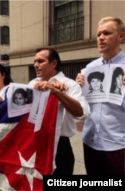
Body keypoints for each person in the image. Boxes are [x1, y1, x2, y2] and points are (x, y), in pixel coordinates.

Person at [76, 17, 125, 174]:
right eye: (98, 34)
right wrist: (79, 88)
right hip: (90, 140)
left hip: (118, 143)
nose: (101, 38)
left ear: (121, 36)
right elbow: (83, 107)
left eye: (106, 33)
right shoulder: (90, 68)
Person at [30, 47, 90, 175]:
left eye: (40, 61)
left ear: (54, 63)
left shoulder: (69, 85)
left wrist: (57, 93)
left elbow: (82, 113)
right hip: (35, 143)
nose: (36, 65)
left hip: (59, 147)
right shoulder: (32, 84)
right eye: (35, 62)